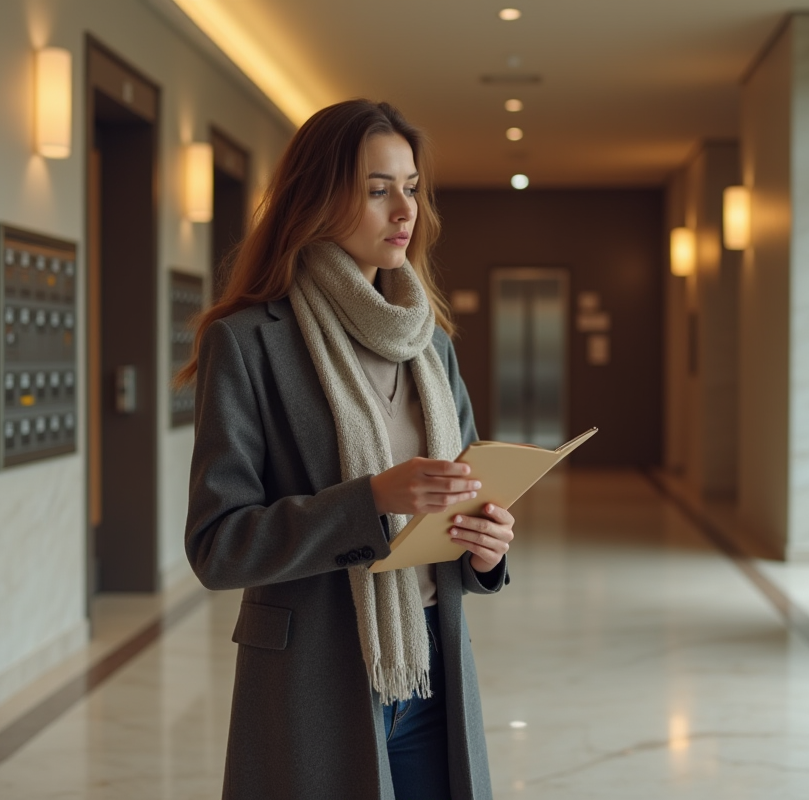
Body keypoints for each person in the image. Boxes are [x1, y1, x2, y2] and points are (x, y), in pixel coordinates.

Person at [180, 99, 513, 800]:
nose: (405, 210)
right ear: (319, 199)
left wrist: (489, 547)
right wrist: (372, 501)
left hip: (431, 669)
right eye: (378, 189)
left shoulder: (431, 343)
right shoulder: (247, 341)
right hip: (313, 680)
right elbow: (219, 545)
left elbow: (472, 484)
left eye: (412, 187)